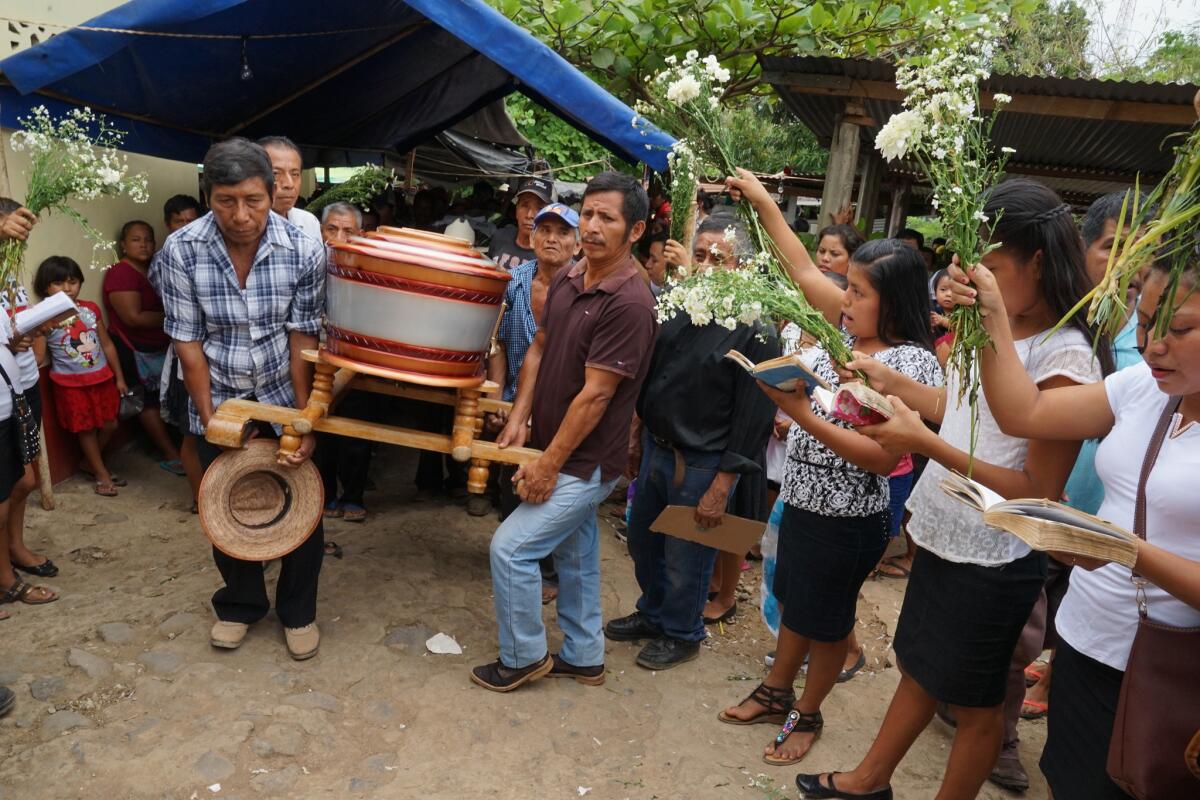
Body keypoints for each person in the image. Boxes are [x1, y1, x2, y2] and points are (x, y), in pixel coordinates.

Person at [798, 179, 1108, 800]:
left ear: (1038, 261)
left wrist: (925, 444)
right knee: (920, 662)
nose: (976, 285)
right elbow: (961, 408)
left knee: (975, 704)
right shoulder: (993, 328)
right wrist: (892, 382)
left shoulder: (1064, 356)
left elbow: (1035, 489)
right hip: (948, 530)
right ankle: (869, 779)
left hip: (996, 554)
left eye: (990, 270)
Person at [945, 246, 1200, 800]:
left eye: (1179, 328)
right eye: (1148, 318)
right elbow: (1026, 413)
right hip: (1086, 641)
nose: (1153, 343)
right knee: (1069, 778)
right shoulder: (1145, 388)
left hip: (1170, 666)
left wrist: (1125, 551)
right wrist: (991, 314)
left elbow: (1133, 550)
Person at [717, 171, 942, 769]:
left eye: (860, 293)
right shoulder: (847, 333)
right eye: (849, 290)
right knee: (794, 603)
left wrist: (797, 412)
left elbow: (882, 456)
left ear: (893, 301)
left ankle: (806, 714)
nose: (846, 300)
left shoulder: (909, 362)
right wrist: (764, 201)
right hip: (801, 501)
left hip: (848, 518)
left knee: (826, 624)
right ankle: (775, 692)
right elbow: (800, 267)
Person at [470, 172, 656, 692]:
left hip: (586, 459)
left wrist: (548, 464)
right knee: (574, 556)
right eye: (589, 214)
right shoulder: (574, 277)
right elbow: (539, 347)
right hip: (552, 441)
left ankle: (524, 656)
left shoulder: (630, 302)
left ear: (636, 230)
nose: (593, 226)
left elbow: (597, 395)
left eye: (608, 218)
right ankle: (584, 655)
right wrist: (518, 415)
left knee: (510, 549)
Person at [158, 137, 325, 661]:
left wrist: (305, 419)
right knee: (226, 503)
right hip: (220, 392)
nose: (240, 214)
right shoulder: (181, 250)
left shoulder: (303, 248)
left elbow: (303, 340)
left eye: (253, 200)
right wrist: (213, 422)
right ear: (208, 194)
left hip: (282, 389)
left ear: (272, 190)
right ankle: (240, 605)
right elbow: (188, 345)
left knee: (303, 504)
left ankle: (299, 612)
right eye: (226, 201)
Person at [606, 216, 780, 669]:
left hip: (703, 462)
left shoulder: (757, 328)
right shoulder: (680, 302)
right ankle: (654, 612)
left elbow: (753, 417)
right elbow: (653, 372)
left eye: (717, 259)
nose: (705, 267)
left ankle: (682, 631)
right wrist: (636, 433)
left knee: (688, 557)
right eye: (698, 256)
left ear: (741, 265)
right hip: (658, 448)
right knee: (644, 543)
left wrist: (723, 483)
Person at [0, 203, 58, 624]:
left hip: (20, 388)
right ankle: (4, 579)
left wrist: (31, 333)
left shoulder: (9, 278)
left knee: (24, 480)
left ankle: (15, 549)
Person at [33, 257, 128, 497]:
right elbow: (39, 356)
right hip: (70, 385)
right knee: (85, 429)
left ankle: (88, 463)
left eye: (73, 281)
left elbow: (106, 345)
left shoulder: (90, 309)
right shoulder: (43, 318)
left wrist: (119, 378)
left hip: (102, 379)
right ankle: (101, 473)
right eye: (58, 283)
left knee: (111, 423)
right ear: (46, 287)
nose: (67, 288)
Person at [102, 220, 184, 475]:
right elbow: (133, 318)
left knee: (163, 398)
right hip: (133, 349)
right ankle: (171, 454)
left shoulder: (152, 268)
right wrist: (177, 316)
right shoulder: (120, 273)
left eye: (148, 239)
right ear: (123, 245)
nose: (144, 244)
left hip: (159, 347)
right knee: (147, 402)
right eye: (136, 239)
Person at [313, 202, 372, 528]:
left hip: (358, 361)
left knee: (356, 431)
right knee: (322, 428)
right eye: (331, 229)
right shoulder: (311, 263)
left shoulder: (370, 267)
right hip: (320, 358)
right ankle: (327, 494)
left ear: (360, 234)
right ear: (321, 231)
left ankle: (354, 496)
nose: (339, 236)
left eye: (348, 231)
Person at [154, 195, 206, 511]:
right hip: (187, 358)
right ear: (167, 224)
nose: (185, 227)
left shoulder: (212, 249)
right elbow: (178, 316)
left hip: (221, 361)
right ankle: (201, 498)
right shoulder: (168, 258)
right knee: (193, 434)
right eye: (178, 221)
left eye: (190, 220)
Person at [257, 135, 321, 243]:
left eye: (295, 174)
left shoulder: (309, 223)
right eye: (275, 173)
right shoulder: (243, 227)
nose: (289, 184)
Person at [487, 176, 552, 271]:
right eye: (525, 205)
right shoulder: (500, 236)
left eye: (539, 208)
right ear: (517, 210)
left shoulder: (549, 253)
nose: (530, 215)